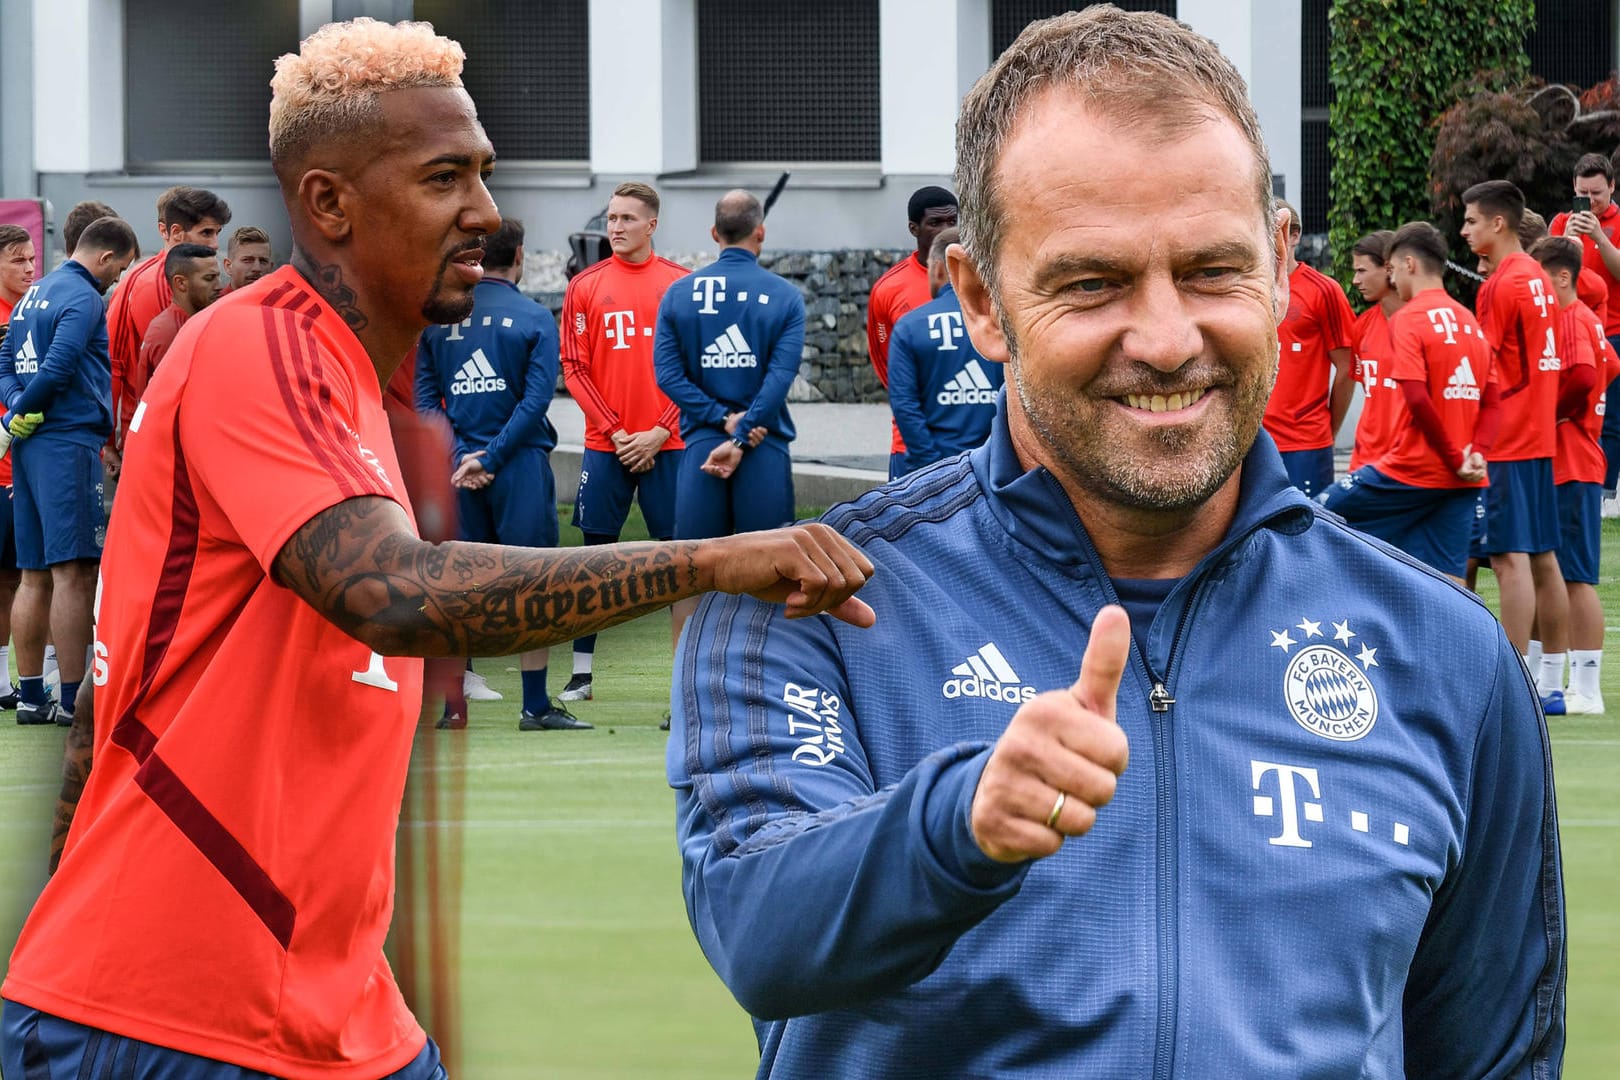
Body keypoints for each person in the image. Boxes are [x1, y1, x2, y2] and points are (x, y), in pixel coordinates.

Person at [671, 8, 1563, 1078]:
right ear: (980, 301)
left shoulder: (1448, 654)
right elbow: (758, 927)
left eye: (1210, 271)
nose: (1167, 338)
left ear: (1281, 265)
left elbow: (1497, 1056)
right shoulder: (809, 602)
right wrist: (960, 824)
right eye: (1091, 283)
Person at [0, 18, 873, 1080]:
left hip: (324, 1006)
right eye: (444, 177)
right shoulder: (260, 343)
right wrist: (717, 558)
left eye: (485, 174)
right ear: (328, 204)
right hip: (176, 1010)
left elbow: (113, 697)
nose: (486, 212)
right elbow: (397, 596)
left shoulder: (348, 378)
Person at [416, 217, 583, 731]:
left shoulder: (438, 321)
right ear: (521, 257)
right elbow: (536, 403)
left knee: (458, 585)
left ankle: (454, 706)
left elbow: (425, 402)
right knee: (534, 582)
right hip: (519, 468)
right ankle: (534, 706)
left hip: (456, 471)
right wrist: (490, 458)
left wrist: (462, 457)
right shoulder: (534, 316)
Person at [0, 215, 138, 729]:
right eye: (120, 269)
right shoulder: (83, 298)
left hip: (32, 447)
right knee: (73, 575)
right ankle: (74, 699)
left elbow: (5, 364)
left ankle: (33, 697)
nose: (119, 279)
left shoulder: (33, 294)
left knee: (32, 576)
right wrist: (22, 412)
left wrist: (15, 412)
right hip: (67, 442)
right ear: (104, 257)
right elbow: (58, 368)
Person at [654, 189, 806, 649]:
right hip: (762, 445)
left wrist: (720, 421)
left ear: (714, 234)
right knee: (772, 569)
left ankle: (684, 691)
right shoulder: (784, 296)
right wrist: (742, 432)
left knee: (693, 570)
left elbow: (667, 374)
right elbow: (781, 377)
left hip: (703, 445)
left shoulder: (679, 294)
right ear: (760, 232)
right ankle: (768, 688)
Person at [556, 181, 689, 704]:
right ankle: (582, 676)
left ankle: (682, 681)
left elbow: (694, 369)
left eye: (627, 219)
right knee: (592, 561)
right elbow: (574, 367)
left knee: (680, 563)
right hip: (607, 447)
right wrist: (616, 432)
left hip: (668, 445)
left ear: (651, 225)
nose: (615, 227)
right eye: (611, 218)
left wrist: (659, 429)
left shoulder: (680, 285)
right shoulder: (584, 286)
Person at [1321, 222, 1499, 582]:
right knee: (1448, 581)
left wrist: (1451, 457)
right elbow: (1493, 399)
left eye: (1393, 268)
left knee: (1318, 514)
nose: (1393, 277)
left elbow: (1417, 397)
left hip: (1412, 470)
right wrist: (1476, 452)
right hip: (1464, 476)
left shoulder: (1409, 319)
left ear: (1409, 265)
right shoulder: (1469, 321)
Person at [1462, 179, 1571, 713]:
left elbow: (1489, 369)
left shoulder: (1502, 284)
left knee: (1509, 559)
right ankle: (1551, 678)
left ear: (1497, 224)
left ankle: (1515, 683)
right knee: (1543, 557)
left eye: (1471, 221)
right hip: (1538, 435)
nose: (1464, 231)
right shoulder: (1537, 277)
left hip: (1507, 437)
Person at [1533, 235, 1611, 714]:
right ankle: (1566, 682)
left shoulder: (1573, 318)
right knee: (1561, 574)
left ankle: (1588, 689)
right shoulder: (1585, 321)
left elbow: (1584, 375)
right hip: (1571, 460)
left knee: (1576, 578)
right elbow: (1612, 366)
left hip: (1574, 461)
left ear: (1562, 276)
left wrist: (1556, 413)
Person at [106, 186, 232, 480]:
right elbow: (117, 365)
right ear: (175, 232)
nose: (215, 244)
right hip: (163, 440)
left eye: (217, 233)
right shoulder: (162, 287)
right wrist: (108, 442)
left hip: (148, 433)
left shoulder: (141, 275)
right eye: (206, 233)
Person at [885, 225, 1004, 476]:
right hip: (991, 466)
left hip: (928, 468)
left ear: (939, 269)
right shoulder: (1002, 325)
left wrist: (930, 466)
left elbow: (905, 405)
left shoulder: (909, 327)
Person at [1262, 198, 1355, 497]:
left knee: (1306, 534)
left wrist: (1329, 430)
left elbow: (1347, 368)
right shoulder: (1246, 291)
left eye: (1279, 231)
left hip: (1305, 444)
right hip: (1253, 440)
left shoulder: (1323, 290)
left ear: (1294, 236)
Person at [868, 186, 958, 479]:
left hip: (975, 442)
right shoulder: (888, 289)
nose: (946, 230)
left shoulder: (984, 278)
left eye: (952, 221)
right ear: (913, 228)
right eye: (935, 223)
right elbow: (889, 370)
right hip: (911, 444)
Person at [1549, 154, 1620, 515]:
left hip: (1613, 329)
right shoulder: (1562, 222)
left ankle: (1606, 490)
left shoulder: (1618, 221)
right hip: (1569, 329)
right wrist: (1567, 239)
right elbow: (1547, 270)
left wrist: (1599, 237)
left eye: (1597, 193)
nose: (1590, 202)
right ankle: (1572, 478)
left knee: (1610, 414)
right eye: (1582, 193)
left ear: (1611, 187)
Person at [117, 243, 224, 452]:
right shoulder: (172, 333)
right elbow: (181, 411)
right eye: (209, 279)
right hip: (171, 454)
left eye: (218, 277)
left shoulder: (181, 324)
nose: (219, 286)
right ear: (181, 283)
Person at [0, 224, 36, 709]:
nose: (30, 268)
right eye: (17, 260)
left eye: (31, 259)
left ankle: (35, 678)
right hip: (3, 466)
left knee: (26, 575)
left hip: (28, 467)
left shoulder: (34, 311)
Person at [1345, 229, 1403, 472]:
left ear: (1389, 269)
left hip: (1408, 463)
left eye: (1362, 270)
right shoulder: (1363, 326)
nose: (1355, 281)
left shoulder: (1426, 324)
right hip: (1365, 461)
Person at [222, 225, 275, 292]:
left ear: (271, 268)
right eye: (247, 260)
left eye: (263, 261)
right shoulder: (214, 302)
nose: (257, 268)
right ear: (228, 266)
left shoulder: (281, 301)